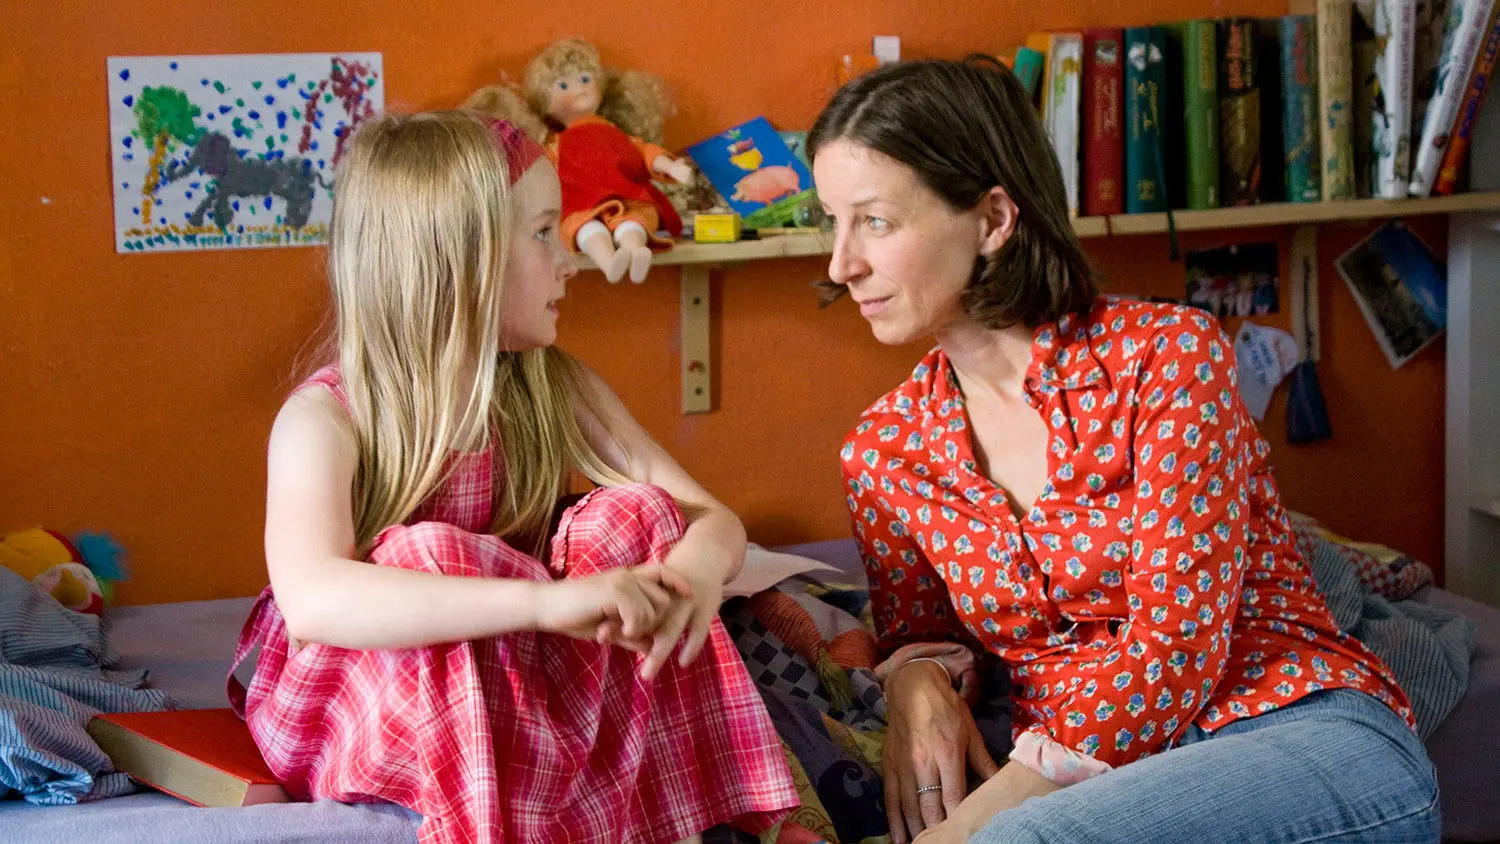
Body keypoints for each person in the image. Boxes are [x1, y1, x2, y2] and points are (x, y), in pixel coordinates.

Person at [807, 57, 1439, 844]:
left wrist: (977, 821)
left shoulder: (1166, 355)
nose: (840, 265)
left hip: (1291, 728)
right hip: (1107, 784)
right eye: (831, 221)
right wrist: (917, 681)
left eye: (874, 221)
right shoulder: (884, 452)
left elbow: (1178, 644)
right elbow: (924, 638)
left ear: (994, 219)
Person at [227, 110, 798, 844]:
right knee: (429, 554)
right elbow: (313, 601)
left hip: (514, 666)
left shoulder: (548, 383)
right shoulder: (327, 417)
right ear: (455, 256)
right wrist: (541, 604)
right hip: (350, 694)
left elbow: (714, 519)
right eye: (541, 233)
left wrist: (689, 576)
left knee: (637, 516)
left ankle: (679, 816)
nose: (568, 259)